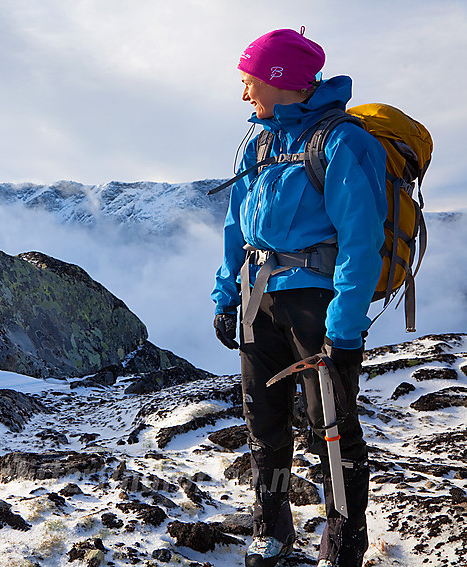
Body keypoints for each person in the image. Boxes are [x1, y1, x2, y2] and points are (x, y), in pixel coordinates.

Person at [211, 29, 387, 567]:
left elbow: (362, 241)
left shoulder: (342, 141)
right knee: (263, 422)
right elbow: (236, 227)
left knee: (329, 429)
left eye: (249, 81)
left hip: (318, 305)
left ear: (280, 79)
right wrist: (225, 294)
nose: (244, 94)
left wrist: (344, 328)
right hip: (257, 300)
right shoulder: (256, 140)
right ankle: (272, 533)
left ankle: (343, 544)